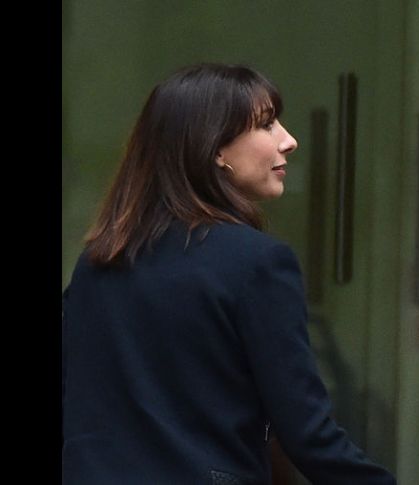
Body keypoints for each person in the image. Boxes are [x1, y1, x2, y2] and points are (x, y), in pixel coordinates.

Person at [61, 63, 396, 484]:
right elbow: (308, 434)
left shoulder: (97, 262)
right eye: (266, 124)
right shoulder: (257, 263)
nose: (289, 141)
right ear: (215, 148)